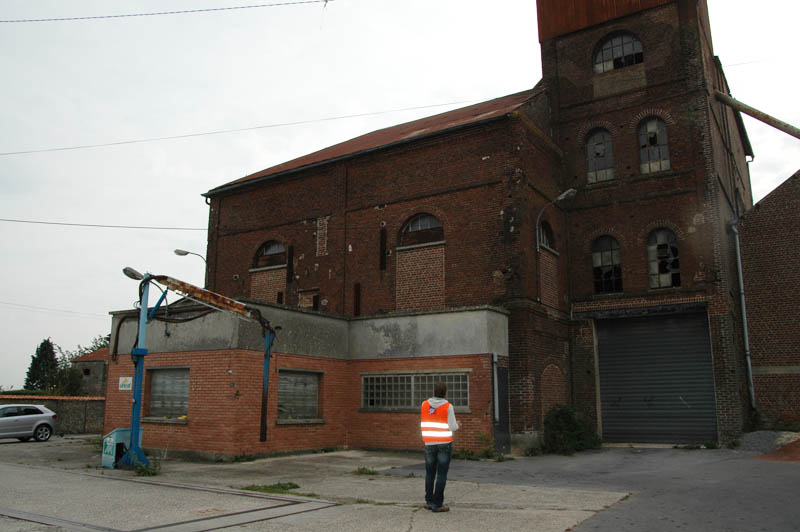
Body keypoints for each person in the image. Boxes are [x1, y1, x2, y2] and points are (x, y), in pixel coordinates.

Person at [420, 381, 459, 512]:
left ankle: (429, 501)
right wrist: (458, 424)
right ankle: (438, 504)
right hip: (444, 444)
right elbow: (453, 427)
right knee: (441, 474)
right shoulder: (448, 406)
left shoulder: (424, 404)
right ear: (445, 393)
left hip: (429, 443)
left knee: (429, 473)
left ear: (434, 391)